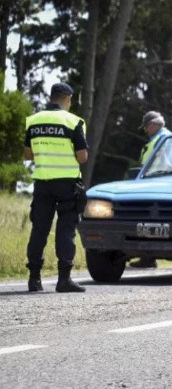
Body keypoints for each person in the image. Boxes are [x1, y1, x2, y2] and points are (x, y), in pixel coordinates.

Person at [23, 82, 89, 293]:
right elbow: (82, 157)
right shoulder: (74, 121)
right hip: (67, 184)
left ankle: (34, 279)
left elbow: (27, 154)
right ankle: (64, 280)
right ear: (67, 99)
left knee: (39, 229)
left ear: (51, 97)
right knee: (66, 229)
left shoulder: (33, 121)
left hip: (42, 183)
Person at [129, 111, 172, 269]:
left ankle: (148, 257)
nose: (145, 130)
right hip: (152, 182)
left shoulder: (164, 139)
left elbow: (166, 163)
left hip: (157, 184)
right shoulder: (159, 139)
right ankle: (147, 257)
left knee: (149, 220)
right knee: (148, 221)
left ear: (153, 125)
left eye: (146, 127)